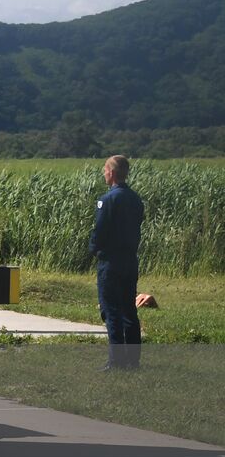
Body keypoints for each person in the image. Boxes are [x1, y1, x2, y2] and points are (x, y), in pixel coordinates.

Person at [88, 155, 145, 370]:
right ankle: (133, 359)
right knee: (129, 310)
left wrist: (93, 249)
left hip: (110, 261)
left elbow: (100, 229)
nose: (104, 173)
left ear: (111, 173)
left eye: (105, 170)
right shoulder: (135, 198)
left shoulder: (108, 199)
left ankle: (116, 360)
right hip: (130, 259)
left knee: (111, 311)